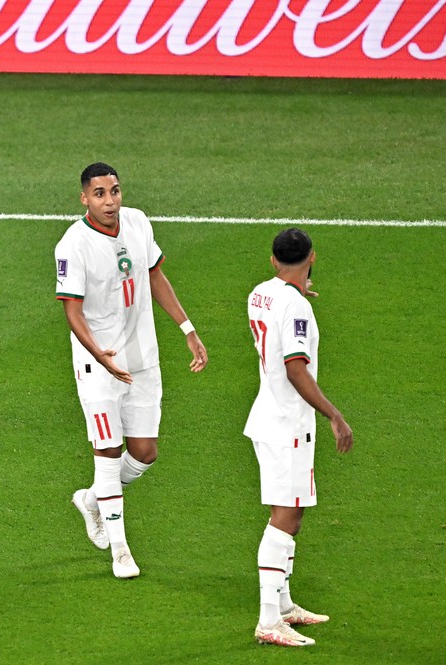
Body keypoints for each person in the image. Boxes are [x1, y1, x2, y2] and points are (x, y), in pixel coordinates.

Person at [55, 162, 208, 578]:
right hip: (98, 364)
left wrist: (188, 329)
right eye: (100, 193)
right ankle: (121, 552)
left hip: (143, 359)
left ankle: (92, 499)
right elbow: (72, 311)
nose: (111, 200)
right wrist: (100, 357)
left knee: (144, 453)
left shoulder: (138, 223)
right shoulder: (72, 245)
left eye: (115, 191)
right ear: (84, 198)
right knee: (106, 453)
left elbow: (155, 275)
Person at [245, 228, 353, 646]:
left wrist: (298, 297)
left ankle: (285, 604)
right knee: (284, 519)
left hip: (270, 417)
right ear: (312, 257)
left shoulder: (261, 292)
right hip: (286, 424)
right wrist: (334, 415)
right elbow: (295, 368)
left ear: (273, 260)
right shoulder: (296, 309)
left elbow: (277, 310)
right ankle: (268, 620)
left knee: (293, 516)